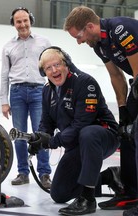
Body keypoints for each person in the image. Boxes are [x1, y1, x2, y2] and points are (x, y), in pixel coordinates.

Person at [27, 46, 120, 215]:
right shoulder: (47, 91)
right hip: (78, 144)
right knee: (59, 194)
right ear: (44, 72)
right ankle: (109, 176)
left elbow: (81, 124)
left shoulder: (85, 82)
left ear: (66, 64)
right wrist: (39, 139)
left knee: (88, 133)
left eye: (57, 65)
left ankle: (88, 199)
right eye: (48, 68)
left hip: (103, 137)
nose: (54, 70)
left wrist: (52, 141)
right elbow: (46, 122)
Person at [63, 6, 138, 215]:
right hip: (135, 84)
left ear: (89, 26)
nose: (78, 41)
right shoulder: (99, 46)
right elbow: (116, 76)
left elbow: (137, 68)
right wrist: (123, 109)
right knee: (126, 134)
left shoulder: (120, 29)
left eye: (78, 36)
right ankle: (131, 191)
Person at [0, 7, 52, 188]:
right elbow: (4, 75)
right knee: (19, 134)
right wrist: (4, 101)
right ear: (13, 24)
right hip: (17, 92)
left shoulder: (44, 42)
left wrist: (54, 93)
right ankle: (23, 173)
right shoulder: (8, 46)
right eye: (18, 21)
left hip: (40, 91)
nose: (22, 24)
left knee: (41, 133)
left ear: (31, 20)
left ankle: (45, 173)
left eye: (25, 20)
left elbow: (52, 67)